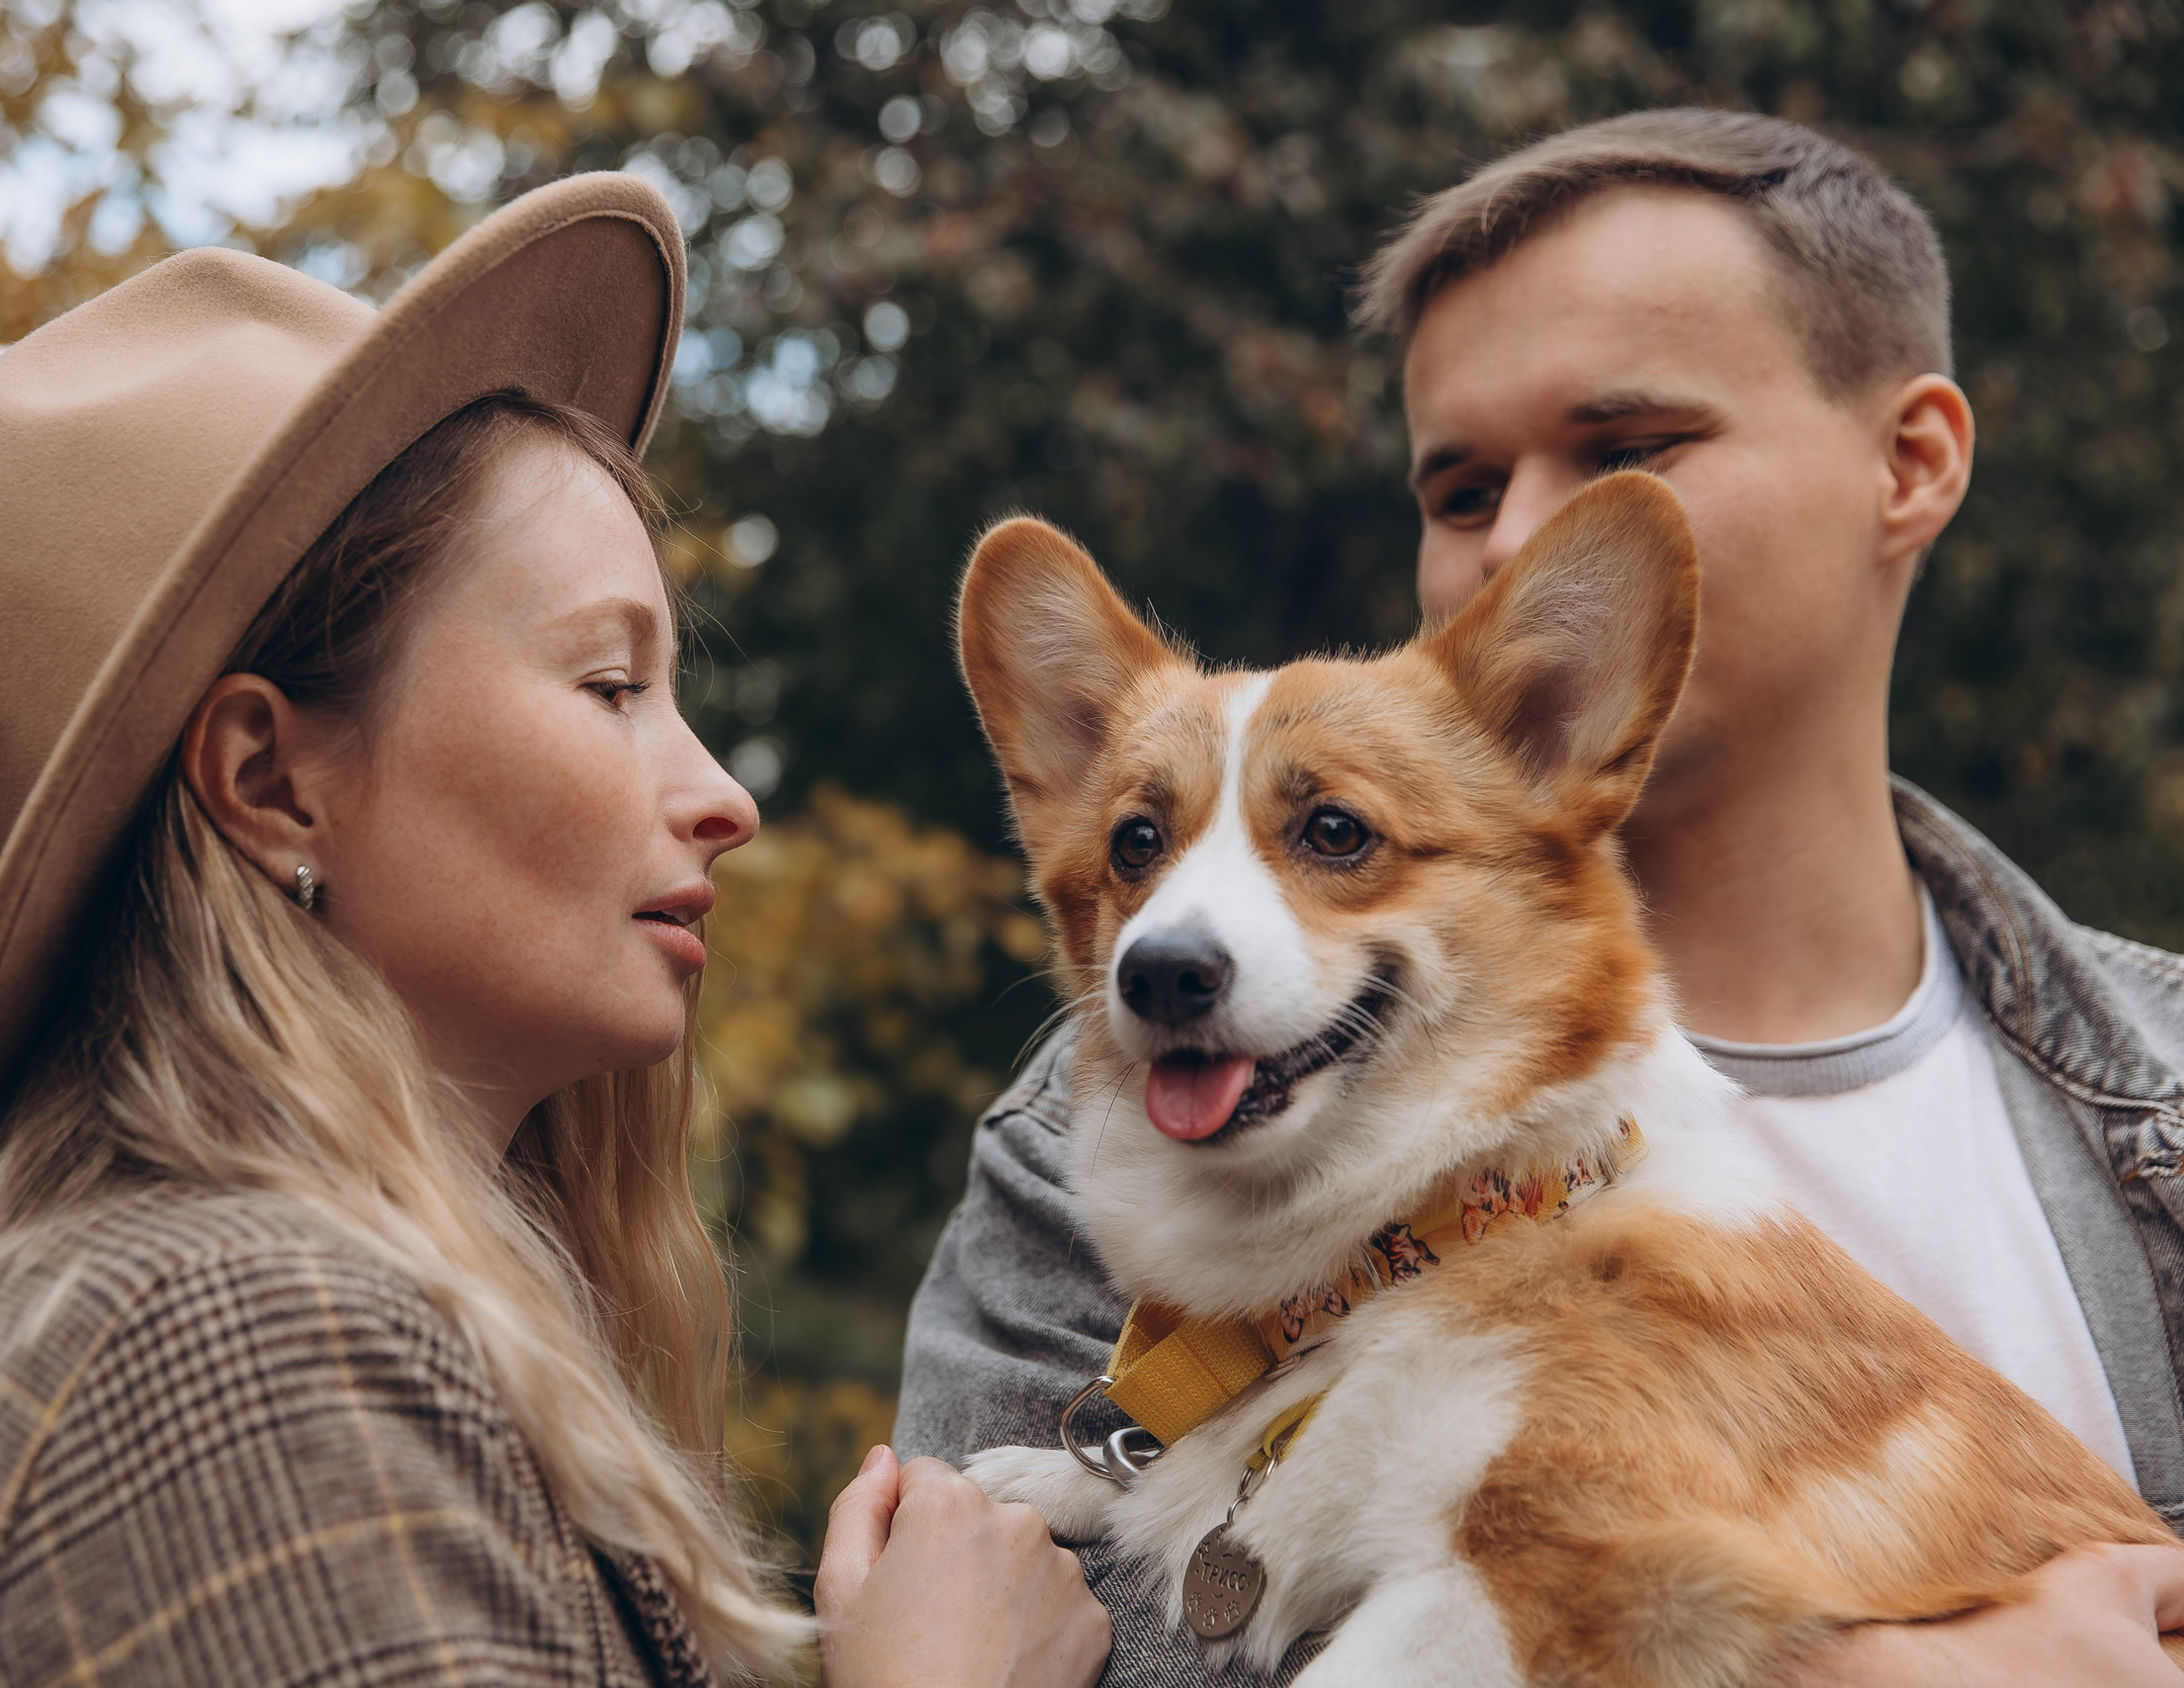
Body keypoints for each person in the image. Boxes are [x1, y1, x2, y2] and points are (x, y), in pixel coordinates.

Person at [897, 109, 2184, 1684]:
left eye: (1629, 451)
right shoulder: (1091, 1151)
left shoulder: (2165, 1089)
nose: (1516, 538)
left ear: (1909, 463)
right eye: (1457, 488)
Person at [0, 174, 1111, 1688]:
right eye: (611, 686)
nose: (724, 795)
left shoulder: (294, 1329)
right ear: (271, 782)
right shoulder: (238, 1346)